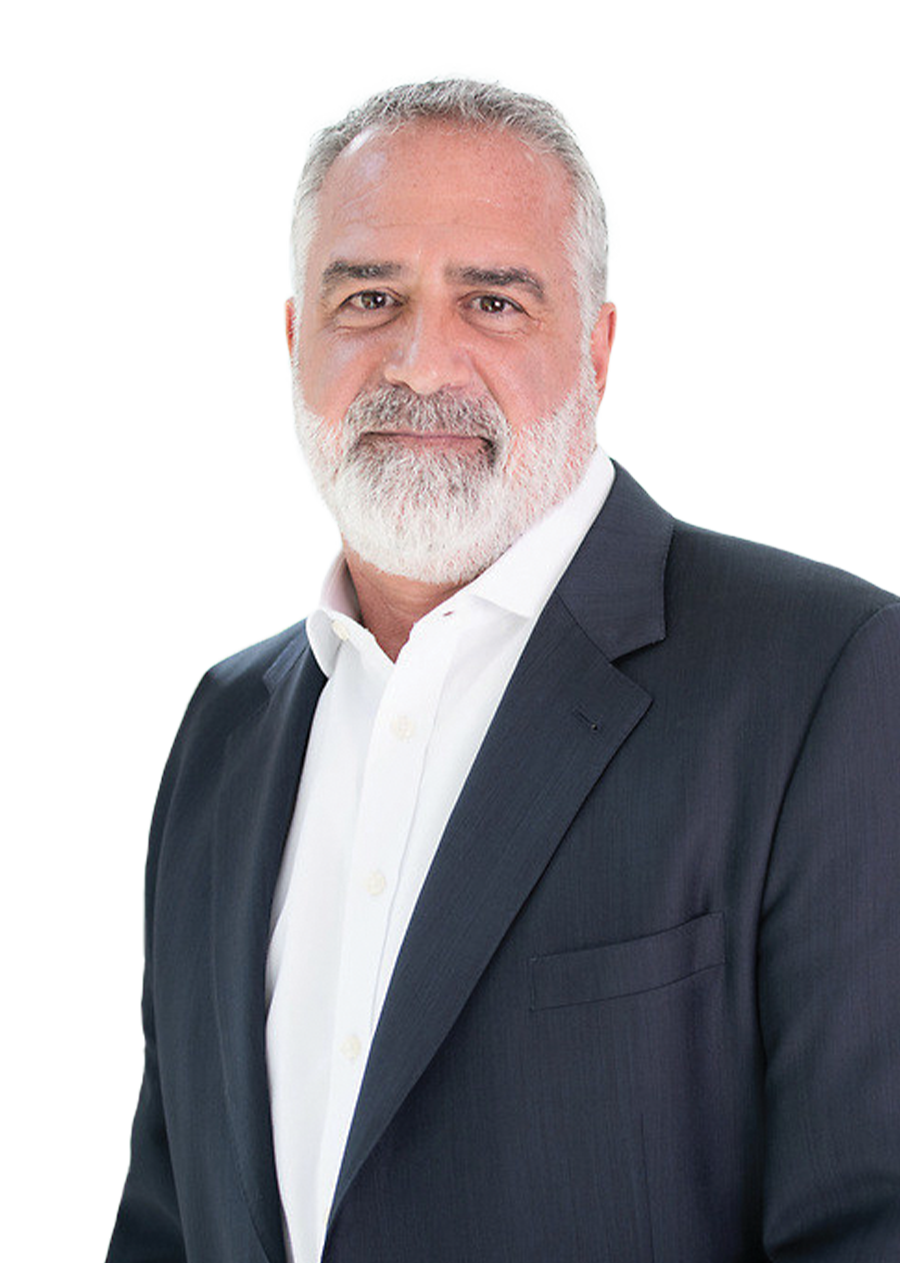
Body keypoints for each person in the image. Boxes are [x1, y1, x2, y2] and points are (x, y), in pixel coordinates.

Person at [105, 77, 899, 1263]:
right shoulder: (225, 725)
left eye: (493, 300)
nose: (424, 362)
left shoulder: (823, 679)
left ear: (599, 348)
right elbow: (169, 1220)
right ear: (292, 338)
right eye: (369, 297)